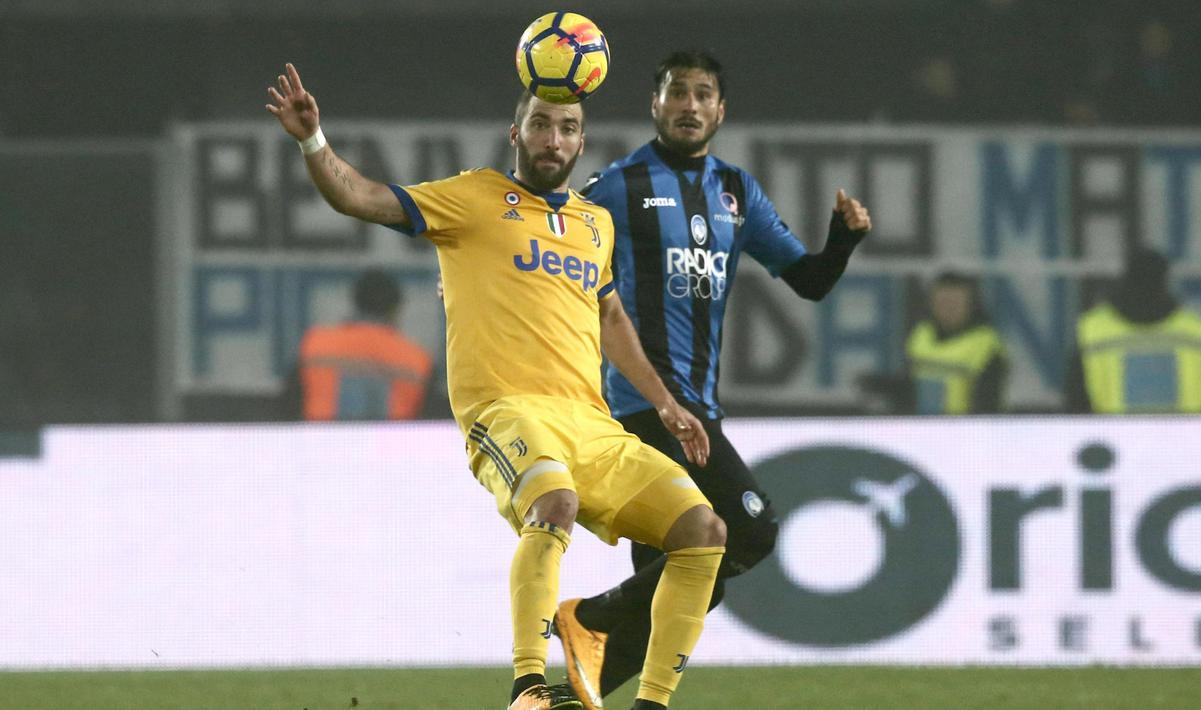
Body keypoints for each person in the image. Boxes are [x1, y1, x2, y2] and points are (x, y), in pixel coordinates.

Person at [266, 63, 726, 710]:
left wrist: (665, 404)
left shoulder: (597, 225)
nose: (553, 139)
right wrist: (313, 142)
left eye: (567, 128)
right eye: (541, 124)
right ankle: (529, 688)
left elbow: (611, 318)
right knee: (554, 505)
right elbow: (358, 197)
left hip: (592, 425)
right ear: (516, 133)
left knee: (703, 530)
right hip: (508, 412)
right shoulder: (472, 198)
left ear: (579, 143)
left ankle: (650, 703)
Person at [552, 51, 871, 709]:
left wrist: (841, 242)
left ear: (720, 111)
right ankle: (592, 614)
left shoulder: (736, 192)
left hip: (699, 408)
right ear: (655, 103)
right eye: (677, 93)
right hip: (641, 406)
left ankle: (552, 702)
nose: (689, 106)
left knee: (689, 581)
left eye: (703, 95)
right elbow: (550, 242)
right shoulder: (619, 185)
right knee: (749, 531)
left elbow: (807, 282)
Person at [1065, 248, 1201, 414]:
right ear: (1164, 281)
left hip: (1114, 437)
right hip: (1186, 437)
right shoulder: (1196, 332)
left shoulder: (1094, 330)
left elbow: (1075, 404)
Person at [283, 268, 434, 421]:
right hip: (392, 444)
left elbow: (289, 408)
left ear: (355, 302)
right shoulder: (417, 360)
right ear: (395, 309)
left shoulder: (316, 345)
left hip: (320, 442)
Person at [860, 271, 1007, 415]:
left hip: (963, 428)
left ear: (970, 304)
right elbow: (910, 383)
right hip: (920, 424)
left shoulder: (985, 344)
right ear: (932, 302)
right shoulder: (922, 334)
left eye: (955, 303)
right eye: (942, 302)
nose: (948, 309)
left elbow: (989, 401)